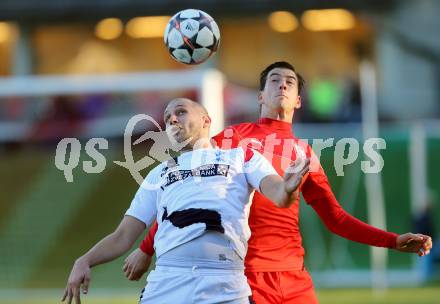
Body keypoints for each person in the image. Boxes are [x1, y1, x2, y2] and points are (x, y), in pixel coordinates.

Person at [123, 61, 433, 304]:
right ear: (260, 96)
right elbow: (185, 193)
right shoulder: (231, 138)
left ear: (298, 100)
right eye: (274, 80)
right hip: (249, 278)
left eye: (289, 81)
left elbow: (336, 219)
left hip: (295, 279)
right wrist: (147, 247)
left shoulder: (306, 155)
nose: (282, 84)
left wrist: (392, 240)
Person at [62, 98, 310, 304]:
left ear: (206, 120)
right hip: (167, 283)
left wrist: (288, 188)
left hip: (224, 284)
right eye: (167, 115)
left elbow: (277, 193)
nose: (171, 119)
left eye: (180, 112)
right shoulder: (159, 173)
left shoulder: (241, 156)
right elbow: (123, 236)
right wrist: (85, 260)